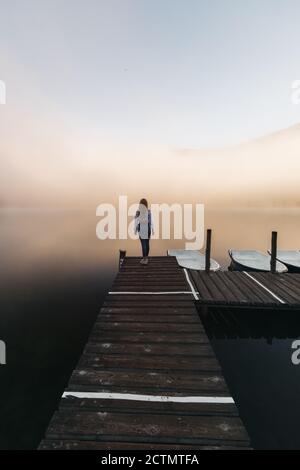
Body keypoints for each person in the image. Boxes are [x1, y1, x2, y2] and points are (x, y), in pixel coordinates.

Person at [134, 198, 154, 265]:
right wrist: (152, 229)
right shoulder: (148, 211)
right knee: (147, 242)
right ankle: (146, 257)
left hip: (142, 228)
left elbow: (136, 221)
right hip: (147, 228)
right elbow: (151, 221)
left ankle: (144, 259)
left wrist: (135, 230)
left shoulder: (138, 212)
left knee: (143, 243)